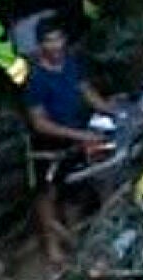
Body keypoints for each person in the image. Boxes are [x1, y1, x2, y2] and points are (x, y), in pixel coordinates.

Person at [23, 17, 116, 261]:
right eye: (48, 41)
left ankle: (74, 238)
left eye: (58, 39)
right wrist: (81, 135)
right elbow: (39, 122)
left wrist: (112, 110)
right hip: (46, 144)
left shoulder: (72, 64)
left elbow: (86, 91)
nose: (55, 46)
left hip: (74, 136)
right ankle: (52, 245)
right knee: (46, 194)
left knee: (74, 188)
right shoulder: (35, 79)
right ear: (41, 45)